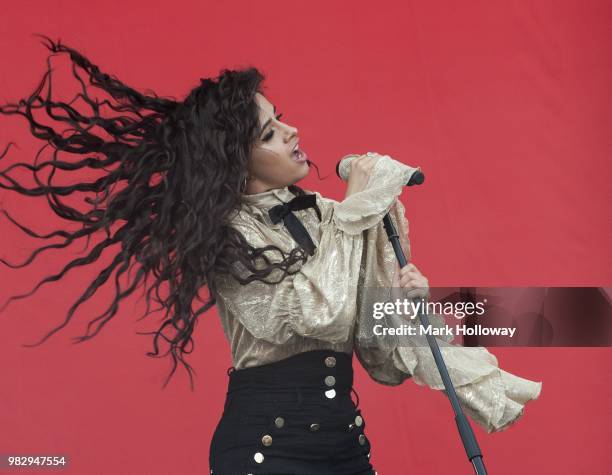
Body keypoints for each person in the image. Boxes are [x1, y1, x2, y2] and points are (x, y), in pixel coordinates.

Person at [0, 37, 541, 475]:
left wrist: (405, 306)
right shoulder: (226, 240)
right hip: (266, 452)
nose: (292, 132)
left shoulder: (326, 216)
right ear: (237, 162)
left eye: (281, 119)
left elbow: (375, 349)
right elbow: (319, 311)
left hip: (344, 449)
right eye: (270, 132)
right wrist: (357, 206)